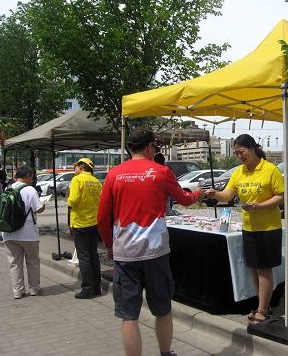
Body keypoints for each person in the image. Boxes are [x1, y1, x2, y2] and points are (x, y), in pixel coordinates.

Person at [98, 128, 205, 356]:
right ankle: (165, 353)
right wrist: (200, 195)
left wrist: (109, 245)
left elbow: (102, 217)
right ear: (149, 147)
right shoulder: (161, 171)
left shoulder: (114, 174)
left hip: (125, 253)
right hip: (155, 253)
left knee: (129, 316)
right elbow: (185, 200)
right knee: (162, 309)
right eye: (155, 147)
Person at [205, 134, 284, 324]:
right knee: (254, 270)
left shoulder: (270, 169)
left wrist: (260, 206)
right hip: (249, 227)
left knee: (264, 270)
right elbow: (227, 195)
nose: (239, 156)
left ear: (253, 148)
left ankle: (263, 310)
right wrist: (215, 193)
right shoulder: (239, 172)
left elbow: (281, 196)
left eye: (242, 152)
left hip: (268, 228)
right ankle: (263, 305)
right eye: (236, 153)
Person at [2, 166, 45, 299]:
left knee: (14, 263)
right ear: (27, 176)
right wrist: (43, 205)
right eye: (31, 176)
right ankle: (34, 289)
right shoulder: (30, 190)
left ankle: (18, 291)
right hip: (28, 234)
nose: (32, 179)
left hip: (9, 232)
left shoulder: (7, 189)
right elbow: (37, 209)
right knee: (32, 261)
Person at [67, 157, 103, 299]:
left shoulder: (77, 180)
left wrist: (68, 198)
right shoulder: (96, 182)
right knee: (93, 255)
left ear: (82, 167)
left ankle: (87, 288)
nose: (74, 169)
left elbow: (73, 200)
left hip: (80, 223)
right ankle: (97, 287)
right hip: (94, 223)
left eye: (76, 167)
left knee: (84, 257)